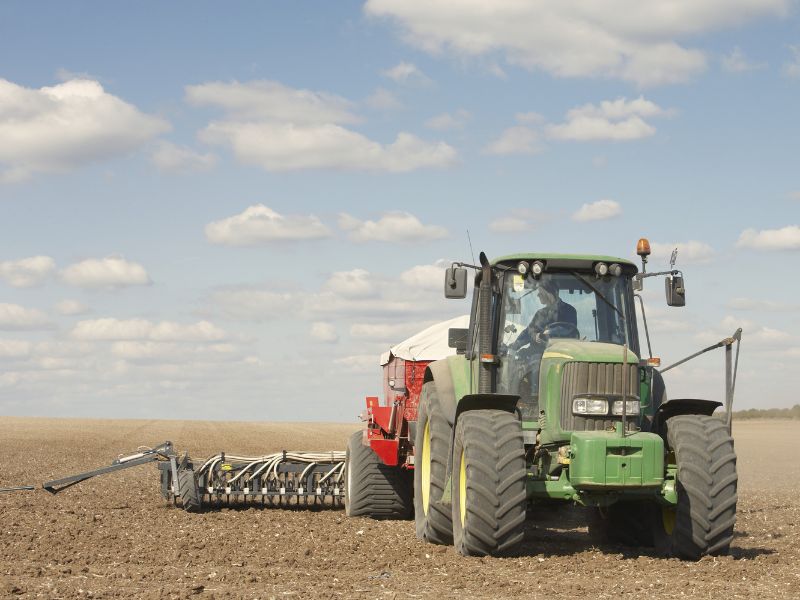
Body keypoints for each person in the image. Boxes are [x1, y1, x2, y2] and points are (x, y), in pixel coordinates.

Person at [511, 279, 577, 351]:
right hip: (538, 353)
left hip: (562, 351)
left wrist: (549, 332)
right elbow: (529, 331)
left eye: (540, 292)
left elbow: (569, 329)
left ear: (549, 293)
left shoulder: (569, 310)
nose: (538, 295)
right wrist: (515, 346)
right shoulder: (540, 313)